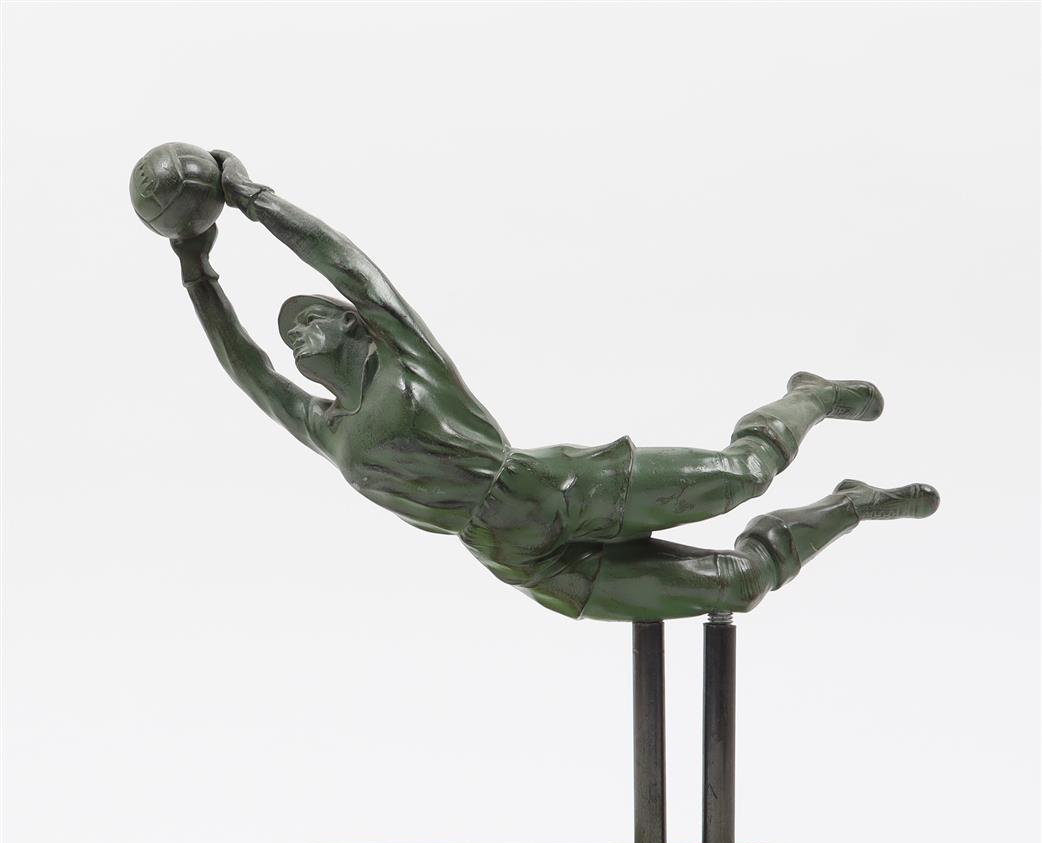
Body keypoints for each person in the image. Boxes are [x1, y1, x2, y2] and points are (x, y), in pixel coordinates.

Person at [170, 151, 938, 622]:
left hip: (560, 490)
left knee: (746, 472)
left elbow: (348, 265)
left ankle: (810, 395)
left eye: (307, 317)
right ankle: (848, 506)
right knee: (737, 586)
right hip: (521, 561)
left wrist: (255, 201)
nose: (295, 332)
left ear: (353, 322)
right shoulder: (329, 429)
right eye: (289, 334)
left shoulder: (407, 362)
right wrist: (195, 267)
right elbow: (248, 369)